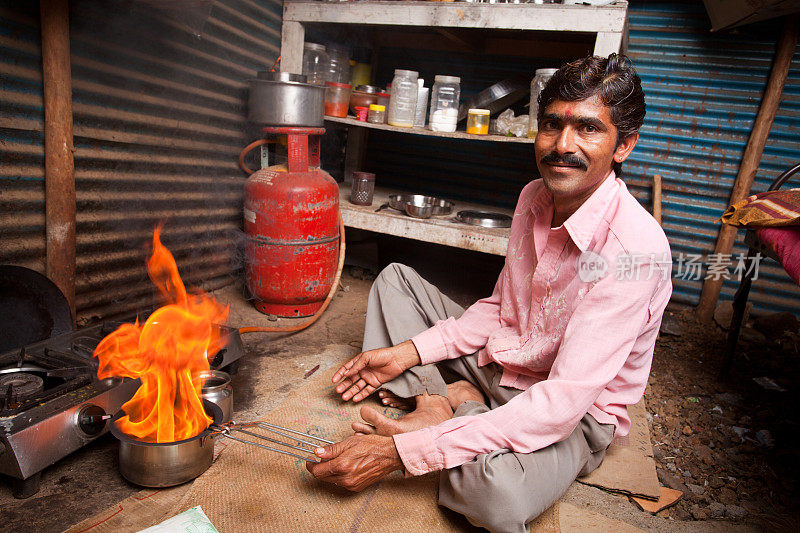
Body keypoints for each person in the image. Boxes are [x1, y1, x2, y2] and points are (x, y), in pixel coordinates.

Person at [306, 53, 672, 533]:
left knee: (492, 496)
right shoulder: (532, 198)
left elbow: (561, 401)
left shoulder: (635, 251)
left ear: (623, 145)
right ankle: (443, 403)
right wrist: (408, 353)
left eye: (587, 129)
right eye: (551, 125)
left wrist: (401, 453)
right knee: (395, 281)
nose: (562, 146)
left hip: (571, 412)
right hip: (504, 365)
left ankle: (451, 409)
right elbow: (503, 310)